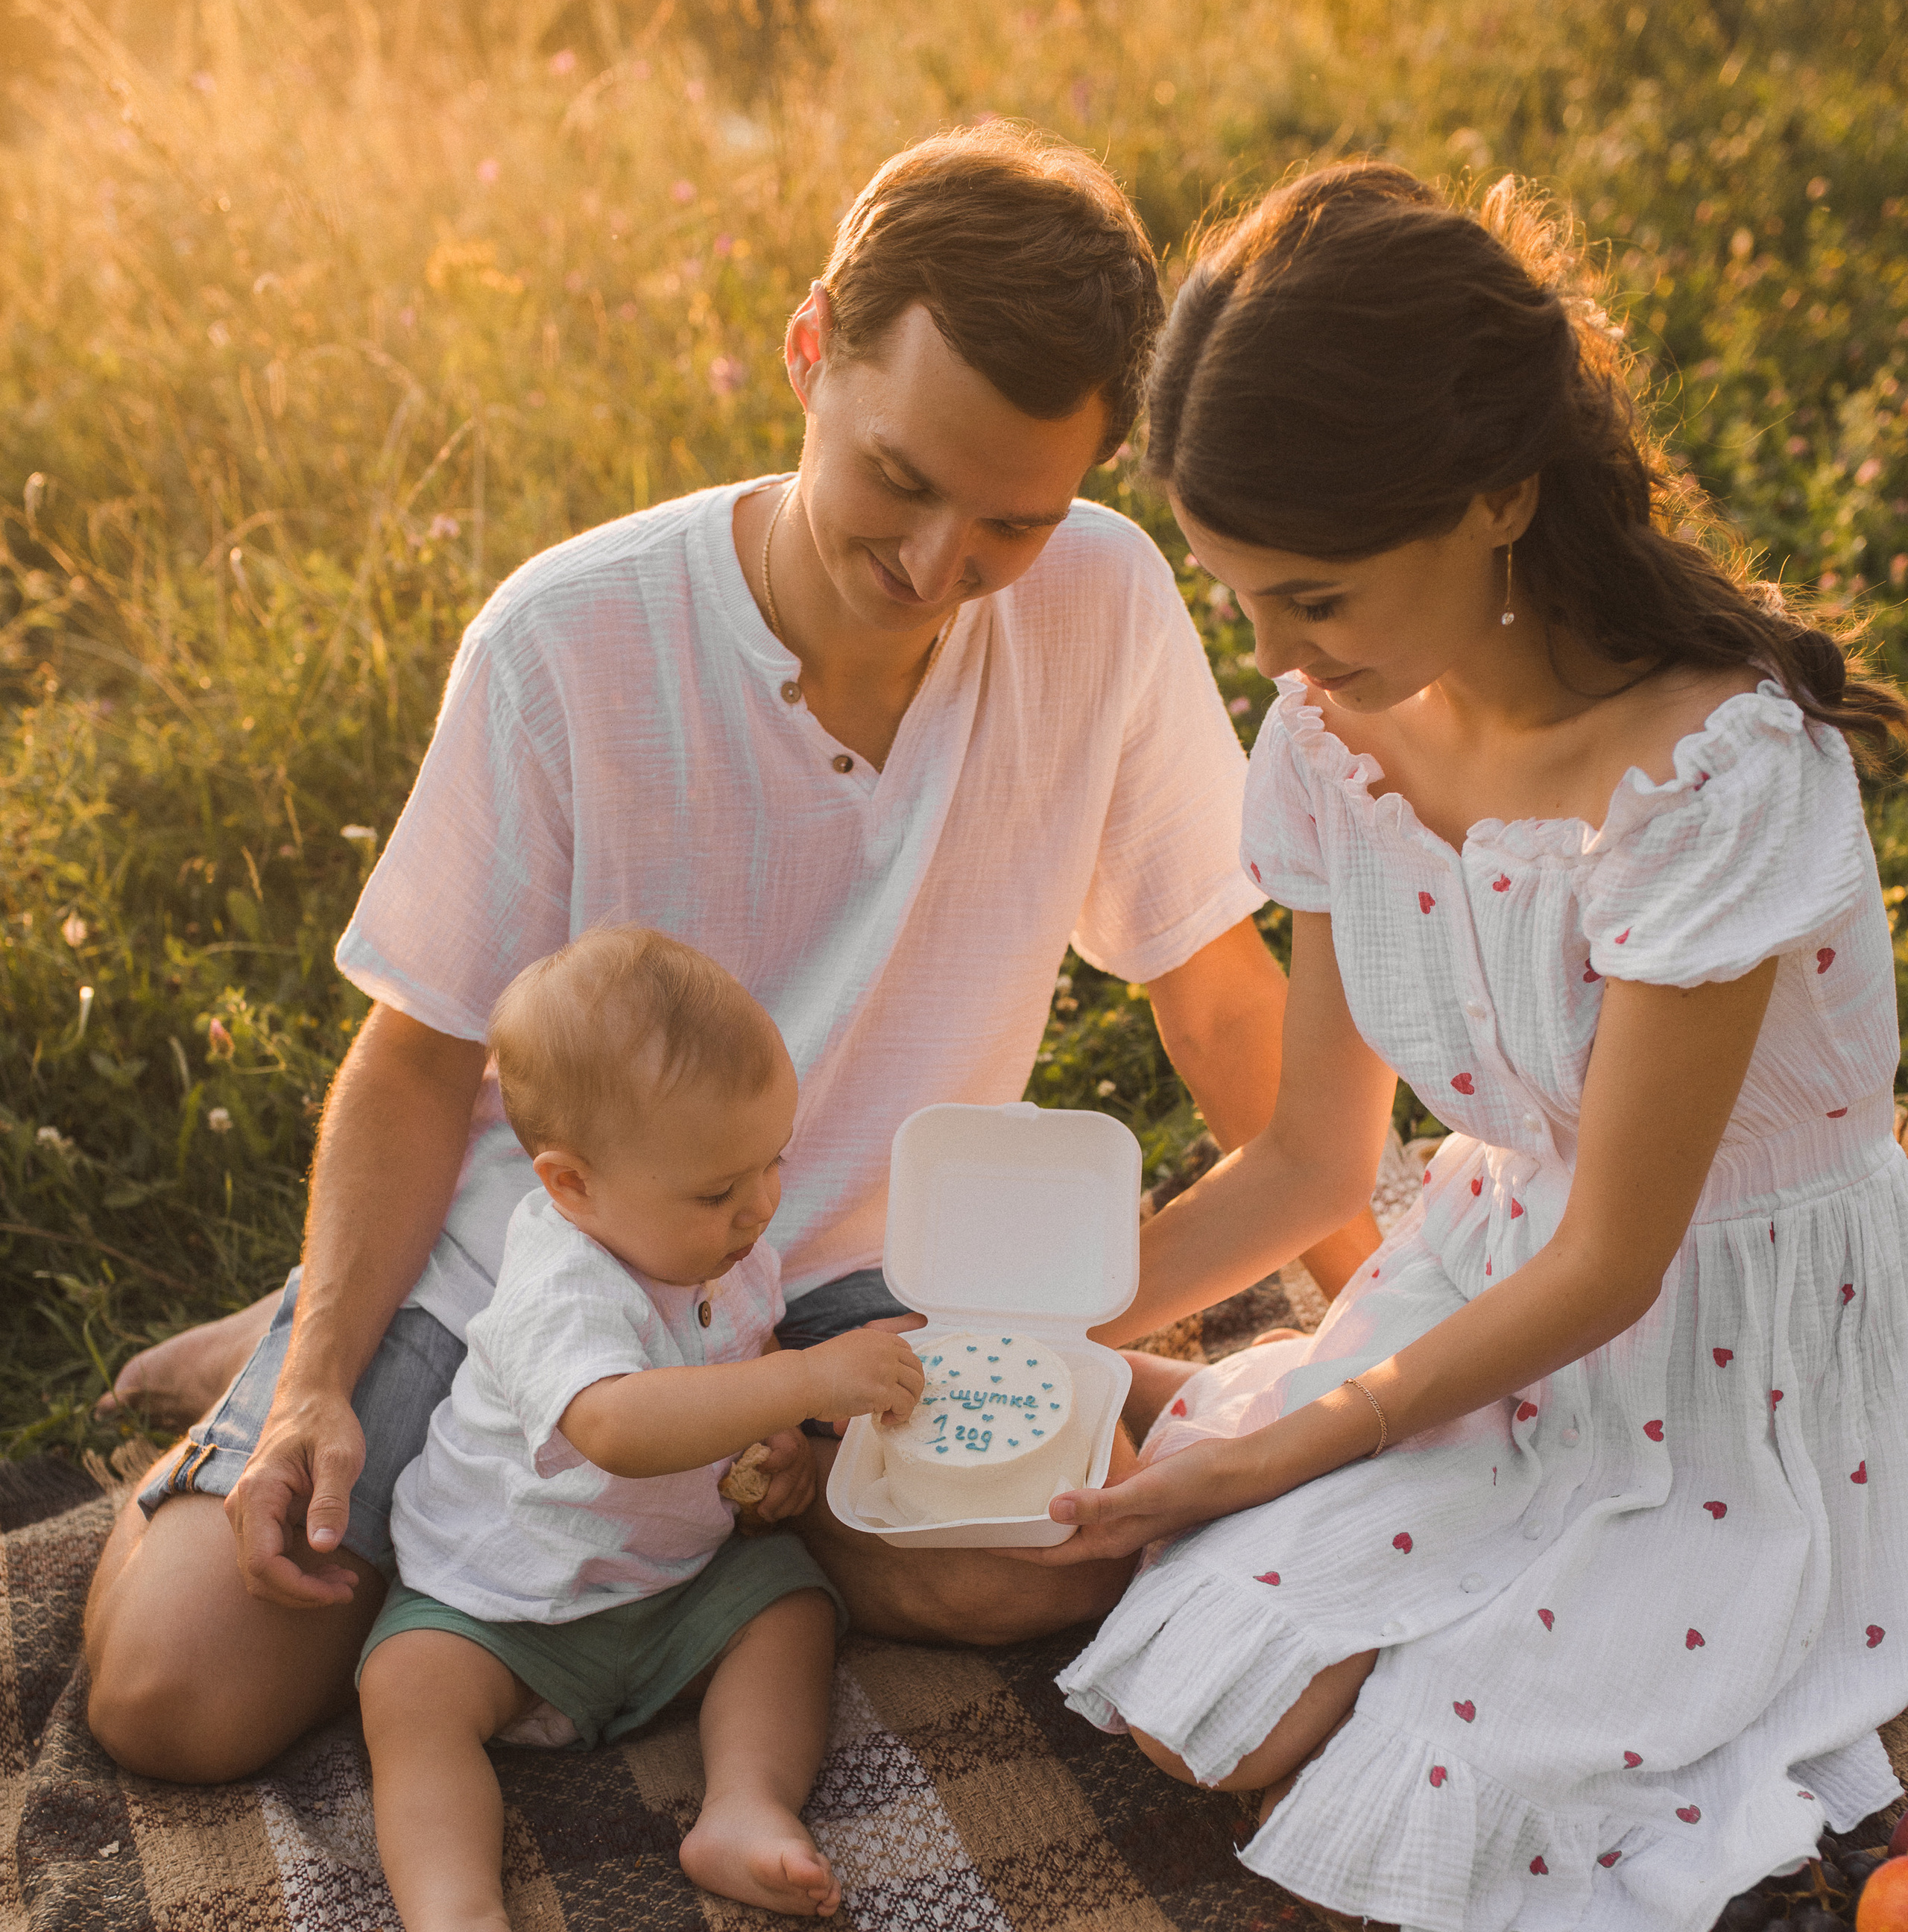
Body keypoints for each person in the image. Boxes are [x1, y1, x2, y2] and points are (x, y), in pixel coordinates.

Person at [83, 123, 1376, 1788]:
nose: (935, 571)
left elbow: (1211, 995)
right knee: (174, 1697)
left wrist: (1375, 1318)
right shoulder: (570, 639)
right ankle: (301, 1328)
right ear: (809, 345)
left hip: (848, 1279)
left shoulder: (1102, 609)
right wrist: (315, 1389)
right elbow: (416, 1055)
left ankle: (707, 1478)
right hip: (536, 1250)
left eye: (1009, 523)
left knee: (1009, 1570)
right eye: (900, 482)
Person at [1042, 162, 1908, 1932]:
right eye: (1238, 602)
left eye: (1314, 598)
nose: (1272, 660)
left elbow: (1618, 1261)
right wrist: (1053, 1327)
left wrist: (1291, 1447)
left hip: (1732, 1351)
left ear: (1500, 496)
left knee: (1435, 1766)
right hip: (1496, 1289)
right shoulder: (1335, 736)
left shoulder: (1710, 786)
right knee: (1199, 1709)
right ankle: (1314, 1490)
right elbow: (1306, 1164)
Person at [359, 927, 924, 1932]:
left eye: (773, 1161)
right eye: (721, 1187)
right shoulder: (557, 1281)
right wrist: (812, 1382)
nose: (761, 1204)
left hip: (672, 1582)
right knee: (405, 1690)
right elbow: (615, 1424)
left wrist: (777, 1447)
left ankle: (746, 1806)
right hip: (507, 1599)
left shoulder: (717, 1240)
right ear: (571, 1184)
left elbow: (721, 1378)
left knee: (791, 1608)